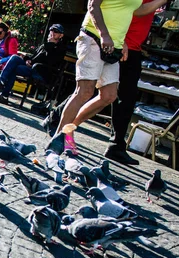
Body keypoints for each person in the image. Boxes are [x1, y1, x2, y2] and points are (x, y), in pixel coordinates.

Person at [55, 0, 147, 155]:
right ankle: (58, 139)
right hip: (94, 38)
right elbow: (93, 5)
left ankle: (69, 129)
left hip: (114, 46)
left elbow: (137, 9)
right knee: (84, 91)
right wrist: (104, 34)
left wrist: (122, 41)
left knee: (109, 95)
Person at [106, 0, 168, 164]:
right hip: (123, 46)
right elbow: (135, 10)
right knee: (104, 93)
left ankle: (117, 145)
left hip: (132, 48)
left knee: (123, 97)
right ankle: (58, 118)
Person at [0, 23, 66, 104]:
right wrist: (27, 59)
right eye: (52, 30)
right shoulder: (45, 44)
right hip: (32, 66)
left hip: (40, 71)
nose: (53, 33)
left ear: (61, 35)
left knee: (14, 68)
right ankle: (1, 81)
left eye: (56, 31)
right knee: (14, 58)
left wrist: (50, 45)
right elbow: (35, 56)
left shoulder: (60, 48)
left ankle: (4, 95)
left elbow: (49, 61)